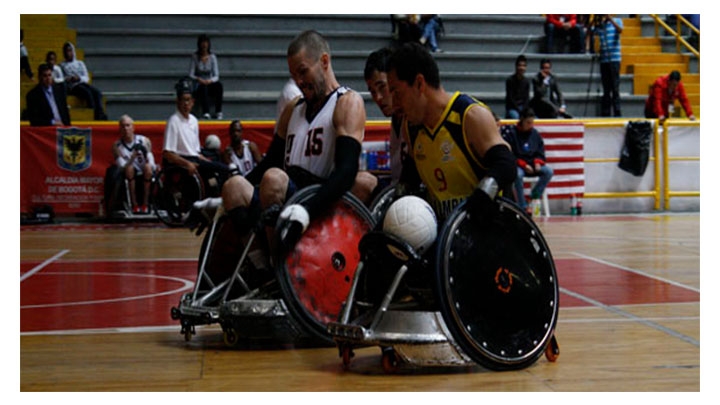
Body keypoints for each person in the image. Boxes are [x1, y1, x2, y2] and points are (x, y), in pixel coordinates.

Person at [216, 30, 376, 251]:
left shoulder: (347, 102)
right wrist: (220, 200)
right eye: (294, 76)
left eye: (303, 72)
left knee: (273, 179)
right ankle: (258, 262)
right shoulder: (293, 107)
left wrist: (308, 209)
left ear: (324, 61)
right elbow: (270, 161)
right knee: (233, 186)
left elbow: (346, 170)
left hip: (317, 196)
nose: (299, 82)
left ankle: (278, 265)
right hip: (284, 192)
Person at [386, 42, 516, 224]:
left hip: (488, 230)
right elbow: (409, 181)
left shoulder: (470, 116)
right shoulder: (411, 129)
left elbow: (506, 164)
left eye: (397, 93)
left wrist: (481, 197)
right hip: (445, 236)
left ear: (419, 84)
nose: (394, 104)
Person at [163, 77, 230, 194]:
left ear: (193, 102)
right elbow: (168, 154)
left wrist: (209, 162)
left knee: (221, 168)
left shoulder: (194, 121)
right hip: (182, 160)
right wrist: (187, 164)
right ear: (177, 101)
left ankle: (216, 197)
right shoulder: (173, 121)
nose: (186, 104)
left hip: (195, 158)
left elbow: (196, 151)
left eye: (188, 100)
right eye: (183, 100)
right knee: (216, 170)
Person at [364, 47, 406, 187]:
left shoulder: (414, 117)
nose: (378, 98)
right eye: (372, 92)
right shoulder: (396, 117)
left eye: (382, 87)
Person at [503, 108, 553, 214]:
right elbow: (510, 154)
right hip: (520, 165)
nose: (531, 125)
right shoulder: (512, 133)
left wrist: (538, 162)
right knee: (518, 175)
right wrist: (523, 164)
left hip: (533, 164)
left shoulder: (535, 134)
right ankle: (523, 205)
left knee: (548, 172)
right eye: (528, 123)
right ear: (522, 120)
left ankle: (534, 195)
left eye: (532, 123)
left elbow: (540, 151)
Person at [111, 114, 156, 214]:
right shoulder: (117, 146)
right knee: (129, 169)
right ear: (119, 129)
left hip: (144, 168)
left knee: (148, 167)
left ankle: (146, 203)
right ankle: (134, 204)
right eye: (123, 126)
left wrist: (151, 165)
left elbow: (150, 159)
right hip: (128, 171)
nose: (125, 128)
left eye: (128, 125)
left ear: (133, 127)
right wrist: (132, 158)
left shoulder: (144, 140)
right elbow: (122, 166)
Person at [60, 41, 108, 121]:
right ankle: (92, 114)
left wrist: (79, 78)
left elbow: (86, 77)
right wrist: (69, 79)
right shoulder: (62, 65)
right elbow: (62, 79)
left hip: (82, 82)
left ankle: (100, 114)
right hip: (72, 86)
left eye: (70, 50)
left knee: (97, 93)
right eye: (67, 51)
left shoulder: (80, 63)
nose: (69, 53)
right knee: (87, 93)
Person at [593, 14, 623, 117]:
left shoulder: (617, 21)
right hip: (604, 60)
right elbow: (592, 31)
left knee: (615, 87)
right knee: (606, 88)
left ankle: (617, 111)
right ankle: (605, 112)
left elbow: (620, 30)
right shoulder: (601, 26)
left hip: (614, 59)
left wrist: (610, 20)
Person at [189, 34, 224, 120]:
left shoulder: (212, 57)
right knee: (203, 88)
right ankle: (206, 112)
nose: (204, 45)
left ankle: (218, 111)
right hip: (199, 83)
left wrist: (210, 81)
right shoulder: (195, 57)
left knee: (219, 86)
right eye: (202, 43)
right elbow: (191, 74)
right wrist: (198, 79)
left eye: (206, 43)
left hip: (210, 82)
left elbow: (216, 75)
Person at [505, 54, 531, 119]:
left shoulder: (526, 81)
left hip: (523, 107)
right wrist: (519, 110)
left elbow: (526, 98)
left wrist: (524, 110)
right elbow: (510, 99)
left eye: (524, 66)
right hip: (513, 108)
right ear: (516, 66)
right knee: (517, 118)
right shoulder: (510, 80)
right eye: (520, 65)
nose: (522, 68)